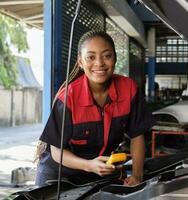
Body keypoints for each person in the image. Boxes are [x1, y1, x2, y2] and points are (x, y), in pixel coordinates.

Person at [35, 30, 155, 187]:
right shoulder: (68, 98)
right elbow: (57, 152)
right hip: (58, 176)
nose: (99, 63)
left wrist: (137, 176)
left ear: (115, 58)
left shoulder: (129, 89)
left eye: (107, 56)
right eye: (91, 57)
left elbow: (137, 136)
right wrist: (89, 165)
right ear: (80, 62)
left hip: (98, 173)